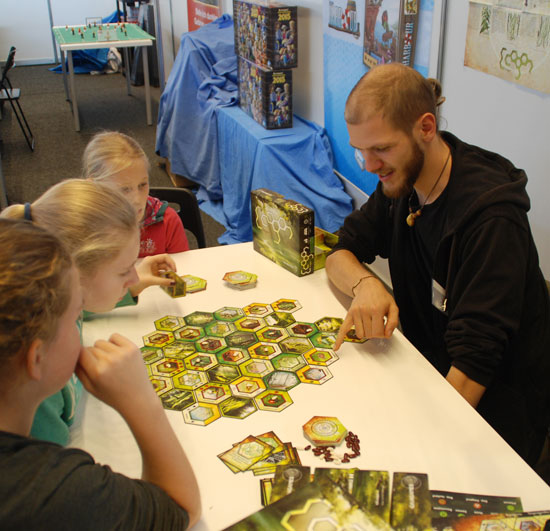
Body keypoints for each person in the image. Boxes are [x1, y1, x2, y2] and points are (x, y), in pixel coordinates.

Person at [326, 63, 550, 467]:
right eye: (361, 150)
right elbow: (339, 251)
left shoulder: (491, 220)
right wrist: (365, 285)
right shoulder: (402, 181)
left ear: (426, 127)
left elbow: (473, 368)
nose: (369, 165)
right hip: (426, 373)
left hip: (494, 413)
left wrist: (405, 448)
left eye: (381, 149)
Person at [0, 219, 201, 528]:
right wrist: (141, 402)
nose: (82, 324)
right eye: (77, 314)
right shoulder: (59, 491)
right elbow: (180, 509)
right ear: (36, 358)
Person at [1, 179, 178, 446]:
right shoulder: (32, 394)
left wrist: (133, 284)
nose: (133, 276)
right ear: (73, 275)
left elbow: (86, 307)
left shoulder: (51, 303)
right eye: (124, 270)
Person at [82, 131, 190, 257]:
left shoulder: (167, 221)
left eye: (142, 185)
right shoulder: (83, 229)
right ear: (95, 188)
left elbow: (183, 270)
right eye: (124, 189)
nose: (137, 199)